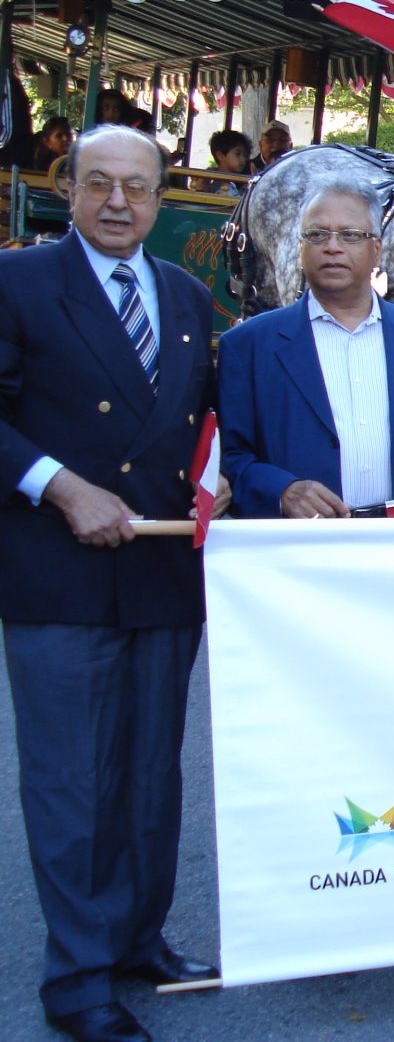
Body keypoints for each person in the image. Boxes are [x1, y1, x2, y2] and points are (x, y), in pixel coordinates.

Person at [0, 125, 227, 1042]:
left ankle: (138, 937)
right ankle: (79, 977)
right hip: (61, 571)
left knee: (148, 773)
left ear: (159, 196)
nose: (119, 203)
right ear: (69, 187)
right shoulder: (16, 281)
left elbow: (202, 423)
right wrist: (56, 484)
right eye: (99, 184)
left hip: (161, 567)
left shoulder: (181, 292)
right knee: (71, 782)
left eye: (137, 186)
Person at [218, 175, 394, 518]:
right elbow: (231, 458)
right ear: (299, 248)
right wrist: (280, 489)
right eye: (317, 235)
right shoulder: (248, 347)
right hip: (299, 553)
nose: (333, 247)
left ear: (377, 247)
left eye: (351, 235)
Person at [199, 128, 251, 196]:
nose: (243, 159)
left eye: (245, 155)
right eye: (238, 154)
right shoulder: (216, 186)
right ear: (220, 156)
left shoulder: (238, 183)